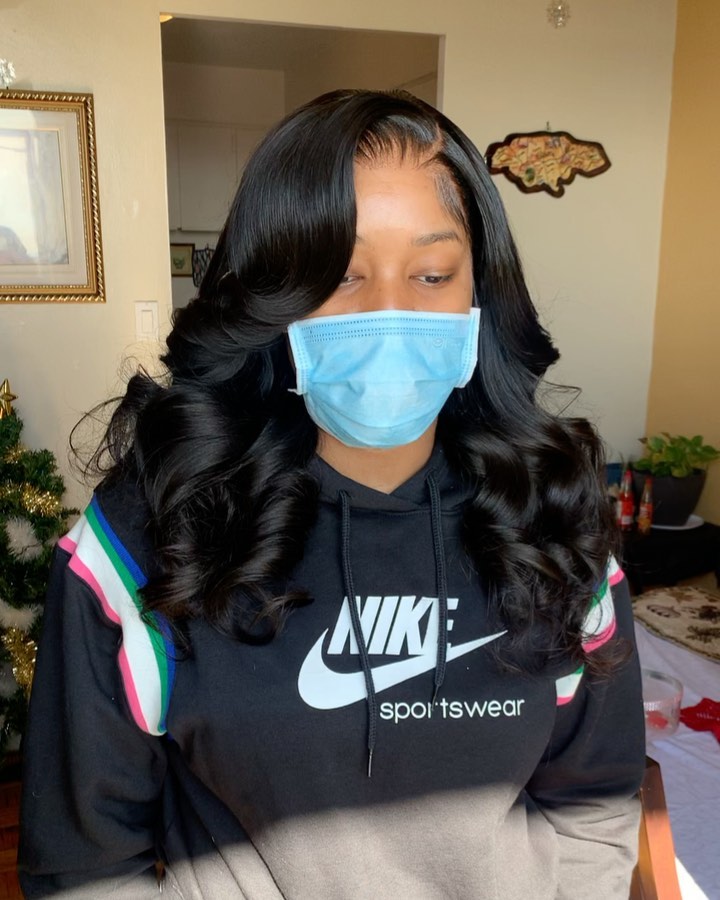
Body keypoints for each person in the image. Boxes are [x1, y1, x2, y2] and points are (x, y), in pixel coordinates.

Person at [18, 89, 645, 899]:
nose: (389, 313)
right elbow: (86, 867)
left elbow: (594, 805)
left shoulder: (553, 518)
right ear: (271, 294)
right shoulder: (152, 536)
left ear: (478, 293)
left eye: (431, 273)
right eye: (341, 275)